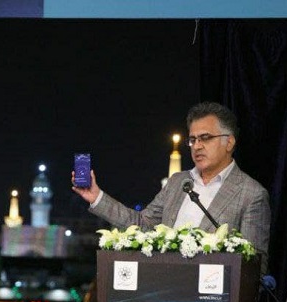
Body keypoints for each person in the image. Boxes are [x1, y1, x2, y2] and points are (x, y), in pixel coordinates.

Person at [72, 101, 271, 273]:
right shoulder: (178, 182)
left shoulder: (251, 194)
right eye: (192, 140)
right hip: (164, 289)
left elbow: (255, 268)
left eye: (205, 138)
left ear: (229, 142)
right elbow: (142, 225)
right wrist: (96, 197)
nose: (197, 146)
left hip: (212, 300)